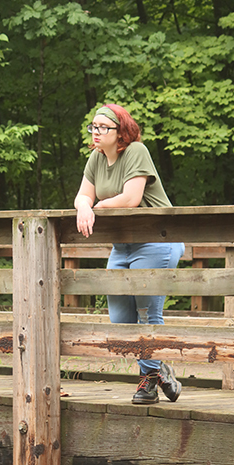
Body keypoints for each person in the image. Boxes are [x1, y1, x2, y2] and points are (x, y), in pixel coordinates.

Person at [74, 103, 185, 405]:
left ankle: (148, 382)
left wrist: (96, 207)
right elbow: (84, 193)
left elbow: (131, 198)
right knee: (121, 319)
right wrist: (84, 205)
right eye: (93, 127)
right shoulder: (96, 158)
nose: (96, 132)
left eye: (103, 128)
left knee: (148, 313)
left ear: (120, 131)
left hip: (155, 240)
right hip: (122, 245)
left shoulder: (137, 152)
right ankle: (159, 369)